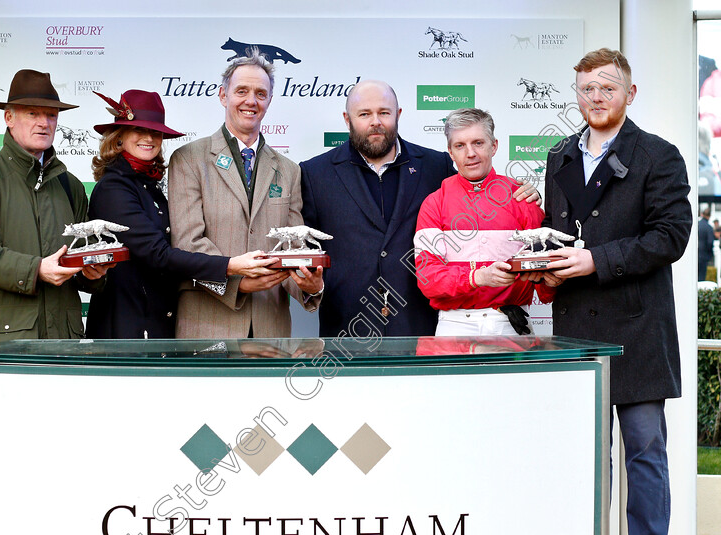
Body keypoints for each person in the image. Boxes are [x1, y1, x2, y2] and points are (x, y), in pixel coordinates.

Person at [542, 48, 691, 535]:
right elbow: (559, 235)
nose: (597, 97)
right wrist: (540, 264)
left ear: (630, 93)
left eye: (608, 87)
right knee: (586, 461)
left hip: (639, 335)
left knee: (646, 458)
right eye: (587, 88)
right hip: (576, 334)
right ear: (576, 95)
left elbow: (670, 237)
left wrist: (594, 262)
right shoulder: (559, 155)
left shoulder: (658, 154)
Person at [300, 80, 540, 337]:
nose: (375, 122)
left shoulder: (438, 165)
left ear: (398, 114)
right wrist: (313, 287)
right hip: (348, 327)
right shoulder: (314, 174)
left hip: (421, 324)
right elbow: (307, 252)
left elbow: (474, 193)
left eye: (384, 112)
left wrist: (528, 195)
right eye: (364, 114)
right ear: (347, 119)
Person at [84, 90, 277, 339]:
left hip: (157, 325)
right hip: (125, 332)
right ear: (119, 137)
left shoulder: (148, 186)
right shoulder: (114, 188)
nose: (149, 138)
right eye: (139, 130)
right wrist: (231, 266)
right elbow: (158, 254)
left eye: (155, 132)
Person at [167, 49, 323, 338]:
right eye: (242, 91)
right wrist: (236, 281)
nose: (251, 101)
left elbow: (289, 249)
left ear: (269, 101)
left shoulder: (289, 170)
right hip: (206, 328)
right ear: (223, 96)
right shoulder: (188, 159)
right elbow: (188, 243)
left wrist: (309, 286)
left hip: (270, 330)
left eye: (260, 94)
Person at [0, 69, 110, 346]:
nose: (43, 123)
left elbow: (80, 258)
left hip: (64, 345)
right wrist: (35, 270)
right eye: (32, 114)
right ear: (9, 118)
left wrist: (92, 273)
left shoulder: (70, 185)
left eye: (51, 115)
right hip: (4, 345)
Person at [414, 108, 554, 336]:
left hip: (511, 324)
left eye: (478, 143)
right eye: (460, 145)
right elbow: (428, 279)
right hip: (454, 326)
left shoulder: (523, 198)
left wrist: (553, 279)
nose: (470, 153)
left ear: (494, 146)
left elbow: (547, 289)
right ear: (450, 152)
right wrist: (476, 277)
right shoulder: (434, 203)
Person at [698, 206, 715, 281]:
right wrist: (710, 255)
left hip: (695, 254)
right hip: (704, 255)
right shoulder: (709, 228)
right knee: (701, 278)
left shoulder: (697, 225)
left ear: (702, 214)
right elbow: (710, 242)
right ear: (709, 216)